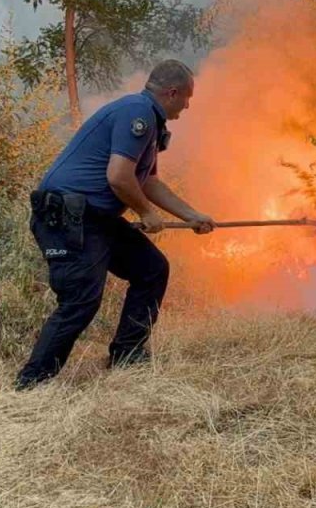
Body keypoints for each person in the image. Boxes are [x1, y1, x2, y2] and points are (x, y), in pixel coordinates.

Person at [15, 60, 216, 391]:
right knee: (81, 300)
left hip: (97, 218)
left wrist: (191, 215)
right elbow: (118, 176)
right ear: (172, 92)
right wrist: (146, 214)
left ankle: (127, 355)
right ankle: (31, 383)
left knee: (151, 269)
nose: (187, 106)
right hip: (70, 217)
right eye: (187, 98)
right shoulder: (137, 113)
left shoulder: (150, 121)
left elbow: (148, 181)